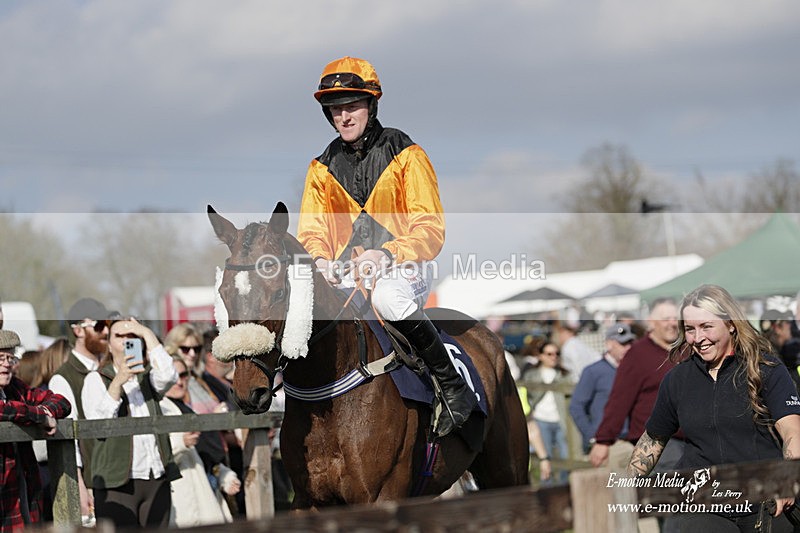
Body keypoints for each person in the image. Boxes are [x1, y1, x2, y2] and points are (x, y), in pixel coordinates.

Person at [297, 56, 476, 438]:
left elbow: (430, 227)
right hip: (346, 277)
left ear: (371, 104)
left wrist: (388, 253)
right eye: (335, 109)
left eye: (351, 106)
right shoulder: (320, 168)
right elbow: (312, 231)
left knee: (388, 298)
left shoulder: (407, 153)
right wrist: (320, 260)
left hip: (404, 266)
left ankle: (452, 387)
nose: (343, 116)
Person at [628, 285, 800, 532]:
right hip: (704, 504)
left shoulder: (766, 368)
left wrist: (787, 476)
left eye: (706, 326)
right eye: (690, 329)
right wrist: (625, 487)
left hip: (765, 499)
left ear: (730, 324)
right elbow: (653, 439)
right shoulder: (677, 380)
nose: (698, 338)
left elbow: (792, 429)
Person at [81, 316, 179, 528]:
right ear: (109, 344)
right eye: (120, 336)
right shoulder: (96, 378)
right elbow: (97, 426)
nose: (127, 340)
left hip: (155, 475)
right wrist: (118, 381)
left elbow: (169, 375)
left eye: (133, 335)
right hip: (117, 482)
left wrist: (146, 332)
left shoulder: (148, 377)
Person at [589, 298, 682, 471]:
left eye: (675, 318)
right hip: (656, 443)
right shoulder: (637, 354)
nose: (672, 323)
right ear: (651, 323)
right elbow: (619, 400)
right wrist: (603, 440)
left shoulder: (687, 350)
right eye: (665, 319)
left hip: (691, 439)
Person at [49, 297, 112, 524]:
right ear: (78, 330)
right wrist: (80, 488)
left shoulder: (112, 370)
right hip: (92, 481)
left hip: (120, 475)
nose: (106, 331)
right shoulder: (62, 378)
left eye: (107, 325)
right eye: (98, 326)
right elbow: (68, 440)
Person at [0, 329, 71, 531]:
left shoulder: (15, 388)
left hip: (22, 493)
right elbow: (4, 409)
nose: (7, 364)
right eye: (0, 358)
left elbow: (61, 402)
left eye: (10, 358)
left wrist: (45, 411)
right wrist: (39, 416)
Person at [160, 355, 240, 527]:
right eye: (173, 376)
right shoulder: (160, 409)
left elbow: (204, 454)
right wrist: (181, 443)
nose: (179, 382)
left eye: (183, 375)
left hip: (204, 491)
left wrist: (224, 475)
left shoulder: (187, 409)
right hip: (180, 496)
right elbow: (155, 458)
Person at [569, 323, 635, 454]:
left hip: (635, 441)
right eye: (622, 344)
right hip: (609, 445)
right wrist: (593, 437)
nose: (628, 348)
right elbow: (576, 407)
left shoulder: (634, 370)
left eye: (629, 343)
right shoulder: (593, 371)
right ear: (609, 344)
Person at [522, 342, 571, 483]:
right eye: (549, 354)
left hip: (560, 420)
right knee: (545, 458)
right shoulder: (531, 375)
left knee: (565, 457)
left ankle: (564, 487)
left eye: (556, 353)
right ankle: (547, 490)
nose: (553, 357)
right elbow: (529, 397)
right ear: (541, 356)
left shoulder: (564, 374)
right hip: (541, 420)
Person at [760, 309, 800, 392]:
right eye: (786, 322)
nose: (789, 325)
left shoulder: (765, 351)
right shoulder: (772, 358)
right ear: (777, 328)